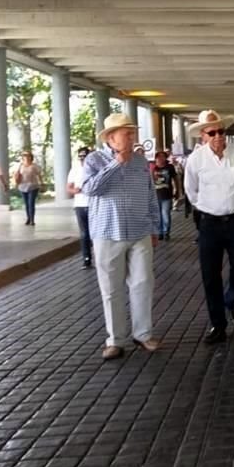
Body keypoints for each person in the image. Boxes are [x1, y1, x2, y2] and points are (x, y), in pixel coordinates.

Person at [82, 113, 161, 360]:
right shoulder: (94, 160)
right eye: (127, 133)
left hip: (140, 232)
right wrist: (117, 163)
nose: (131, 136)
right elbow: (91, 188)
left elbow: (150, 195)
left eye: (131, 132)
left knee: (143, 283)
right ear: (111, 137)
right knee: (111, 289)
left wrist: (155, 227)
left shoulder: (140, 162)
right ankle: (115, 340)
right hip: (107, 233)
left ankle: (143, 334)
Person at [184, 109, 234, 344]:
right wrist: (206, 207)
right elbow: (191, 191)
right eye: (212, 132)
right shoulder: (195, 160)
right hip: (209, 223)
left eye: (221, 131)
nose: (218, 136)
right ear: (203, 135)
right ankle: (218, 325)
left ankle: (231, 300)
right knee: (210, 275)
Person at [67, 147, 93, 267]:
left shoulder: (95, 168)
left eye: (85, 157)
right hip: (80, 205)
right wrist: (75, 190)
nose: (83, 160)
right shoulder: (75, 170)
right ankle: (86, 258)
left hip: (93, 204)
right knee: (84, 233)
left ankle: (99, 256)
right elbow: (68, 188)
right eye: (81, 157)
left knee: (95, 233)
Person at [151, 150, 178, 240]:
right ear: (155, 158)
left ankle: (166, 232)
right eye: (158, 157)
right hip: (155, 196)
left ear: (165, 158)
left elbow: (175, 179)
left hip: (167, 195)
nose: (160, 159)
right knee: (158, 215)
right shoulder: (153, 168)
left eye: (162, 157)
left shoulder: (170, 167)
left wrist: (177, 190)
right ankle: (160, 232)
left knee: (165, 214)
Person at [14, 151, 42, 226]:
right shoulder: (20, 166)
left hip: (33, 186)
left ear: (31, 157)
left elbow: (39, 175)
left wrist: (41, 183)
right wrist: (16, 183)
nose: (26, 157)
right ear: (22, 157)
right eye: (24, 155)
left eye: (27, 155)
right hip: (23, 186)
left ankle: (32, 219)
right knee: (26, 204)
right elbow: (16, 175)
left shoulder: (34, 166)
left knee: (31, 203)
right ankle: (28, 218)